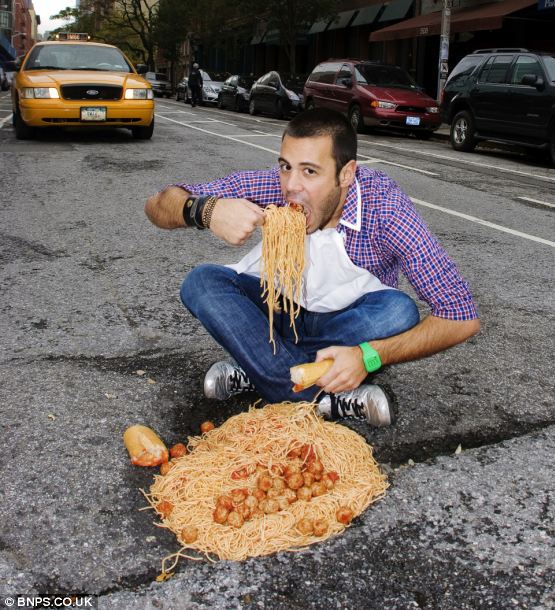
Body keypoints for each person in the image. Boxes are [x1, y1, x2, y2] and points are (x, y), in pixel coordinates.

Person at [144, 108, 480, 427]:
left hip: (342, 328)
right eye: (285, 166)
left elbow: (460, 316)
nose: (291, 186)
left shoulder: (385, 208)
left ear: (346, 173)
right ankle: (323, 398)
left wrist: (369, 357)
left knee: (398, 311)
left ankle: (258, 369)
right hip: (277, 313)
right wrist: (204, 210)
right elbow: (157, 205)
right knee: (201, 282)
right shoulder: (273, 187)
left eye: (310, 171)